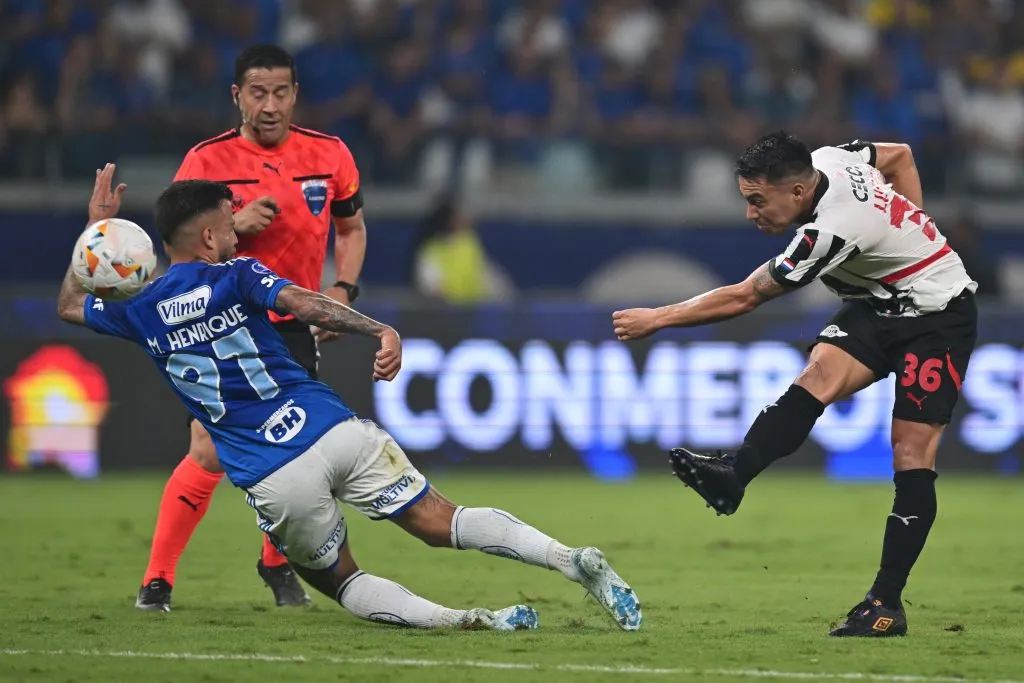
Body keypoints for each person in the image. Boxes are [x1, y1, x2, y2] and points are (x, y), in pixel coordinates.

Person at [59, 176, 644, 633]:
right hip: (331, 429)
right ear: (208, 237)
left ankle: (465, 620)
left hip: (271, 471)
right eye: (229, 225)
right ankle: (569, 559)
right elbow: (306, 304)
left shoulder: (136, 310)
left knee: (341, 580)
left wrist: (95, 232)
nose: (236, 233)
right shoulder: (236, 275)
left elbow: (68, 304)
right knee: (443, 521)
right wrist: (378, 329)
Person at [612, 131, 977, 638]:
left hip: (937, 316)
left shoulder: (828, 233)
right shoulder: (830, 158)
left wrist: (658, 317)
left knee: (911, 451)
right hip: (879, 303)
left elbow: (745, 297)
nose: (750, 213)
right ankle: (734, 475)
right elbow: (900, 155)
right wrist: (917, 226)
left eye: (757, 200)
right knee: (818, 376)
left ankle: (885, 604)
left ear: (798, 193)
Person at [85, 45, 371, 611]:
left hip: (290, 319)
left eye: (281, 92)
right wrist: (234, 223)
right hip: (219, 321)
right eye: (258, 93)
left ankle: (274, 561)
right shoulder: (205, 160)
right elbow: (179, 242)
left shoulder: (330, 154)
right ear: (236, 96)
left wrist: (342, 291)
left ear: (295, 94)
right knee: (209, 449)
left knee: (296, 449)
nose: (270, 105)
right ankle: (157, 579)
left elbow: (352, 228)